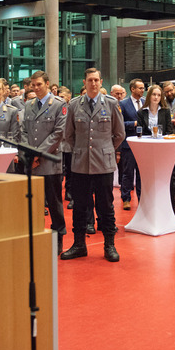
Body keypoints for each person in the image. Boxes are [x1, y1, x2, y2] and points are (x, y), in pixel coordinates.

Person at [61, 68, 125, 262]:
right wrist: (82, 149)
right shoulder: (74, 105)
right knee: (80, 206)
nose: (94, 83)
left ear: (101, 81)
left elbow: (119, 134)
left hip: (103, 164)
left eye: (96, 80)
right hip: (80, 163)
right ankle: (79, 244)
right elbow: (68, 135)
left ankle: (109, 244)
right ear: (84, 82)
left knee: (106, 206)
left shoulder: (112, 104)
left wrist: (105, 148)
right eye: (90, 80)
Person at [21, 71, 67, 253]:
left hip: (49, 162)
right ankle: (35, 236)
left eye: (39, 84)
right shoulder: (29, 105)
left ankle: (58, 238)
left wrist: (37, 155)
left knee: (54, 203)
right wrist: (29, 155)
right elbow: (23, 131)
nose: (36, 87)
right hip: (31, 163)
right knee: (33, 203)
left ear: (47, 84)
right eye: (33, 85)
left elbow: (58, 133)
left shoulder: (58, 104)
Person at [119, 79, 146, 210]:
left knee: (142, 173)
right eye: (140, 88)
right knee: (128, 172)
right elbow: (119, 124)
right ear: (132, 89)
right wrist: (134, 124)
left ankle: (142, 198)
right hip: (129, 143)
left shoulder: (146, 102)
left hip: (143, 143)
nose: (143, 90)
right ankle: (126, 198)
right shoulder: (123, 104)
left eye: (143, 88)